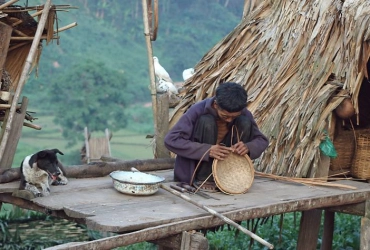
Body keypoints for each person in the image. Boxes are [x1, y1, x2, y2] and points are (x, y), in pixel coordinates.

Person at [164, 82, 269, 190]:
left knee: (244, 122)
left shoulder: (243, 113)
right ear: (215, 105)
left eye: (233, 117)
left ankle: (229, 177)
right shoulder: (197, 110)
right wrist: (207, 150)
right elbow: (171, 140)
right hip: (195, 172)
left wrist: (248, 147)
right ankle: (204, 179)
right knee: (206, 121)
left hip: (226, 170)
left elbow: (262, 140)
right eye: (225, 116)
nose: (229, 120)